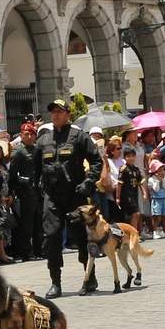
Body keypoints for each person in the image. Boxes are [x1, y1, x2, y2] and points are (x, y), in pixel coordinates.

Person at [35, 96, 103, 299]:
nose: (55, 114)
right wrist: (38, 193)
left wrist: (87, 184)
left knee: (81, 237)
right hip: (52, 196)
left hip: (75, 195)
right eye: (53, 111)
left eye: (59, 111)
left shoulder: (79, 136)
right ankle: (55, 282)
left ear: (68, 115)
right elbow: (36, 171)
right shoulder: (44, 139)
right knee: (52, 236)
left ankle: (89, 276)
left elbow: (97, 162)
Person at [9, 120, 41, 261]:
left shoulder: (37, 149)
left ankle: (39, 250)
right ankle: (26, 252)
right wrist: (23, 181)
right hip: (25, 192)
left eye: (32, 134)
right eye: (26, 134)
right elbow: (12, 174)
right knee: (26, 225)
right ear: (21, 135)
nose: (29, 137)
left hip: (37, 191)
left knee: (38, 223)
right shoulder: (18, 152)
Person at [147, 158, 165, 237]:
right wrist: (158, 180)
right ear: (155, 171)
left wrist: (163, 179)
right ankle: (155, 231)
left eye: (162, 169)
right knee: (157, 217)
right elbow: (156, 189)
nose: (162, 172)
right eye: (159, 170)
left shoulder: (164, 178)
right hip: (156, 200)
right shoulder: (151, 179)